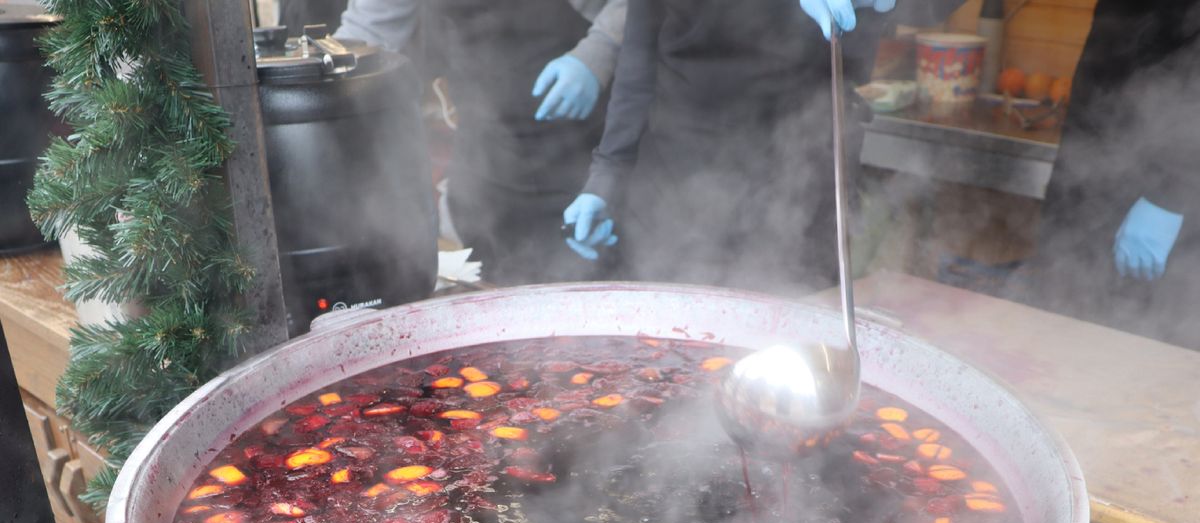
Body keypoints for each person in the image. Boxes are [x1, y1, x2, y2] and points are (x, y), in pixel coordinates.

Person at [563, 0, 963, 293]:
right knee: (665, 353)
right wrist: (609, 170)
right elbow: (639, 50)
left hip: (803, 178)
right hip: (673, 184)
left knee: (795, 354)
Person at [336, 0, 627, 285]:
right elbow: (367, 32)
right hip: (485, 165)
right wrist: (325, 80)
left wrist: (598, 52)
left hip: (590, 160)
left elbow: (640, 10)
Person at [1022, 1, 1200, 350]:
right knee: (1062, 340)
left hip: (1168, 192)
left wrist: (1169, 194)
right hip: (1094, 161)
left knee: (1150, 351)